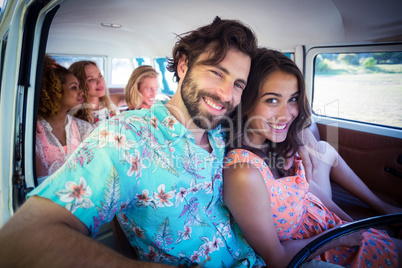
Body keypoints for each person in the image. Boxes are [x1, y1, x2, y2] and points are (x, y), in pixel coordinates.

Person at [0, 17, 264, 267]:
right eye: (217, 73)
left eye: (238, 84)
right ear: (184, 65)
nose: (226, 94)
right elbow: (21, 238)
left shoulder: (223, 134)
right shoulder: (126, 137)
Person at [223, 47, 402, 267]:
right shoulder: (244, 173)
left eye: (293, 99)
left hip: (322, 223)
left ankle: (383, 207)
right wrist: (340, 235)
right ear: (246, 100)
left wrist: (351, 224)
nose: (287, 113)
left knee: (324, 149)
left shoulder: (279, 143)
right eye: (271, 100)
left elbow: (304, 189)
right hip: (313, 249)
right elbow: (276, 258)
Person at [35, 54, 93, 183]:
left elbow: (92, 169)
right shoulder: (35, 131)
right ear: (54, 91)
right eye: (74, 87)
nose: (81, 92)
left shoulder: (83, 128)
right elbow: (40, 181)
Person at [69, 60, 119, 127]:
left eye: (100, 76)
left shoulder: (110, 103)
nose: (100, 82)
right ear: (79, 84)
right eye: (91, 79)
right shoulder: (75, 116)